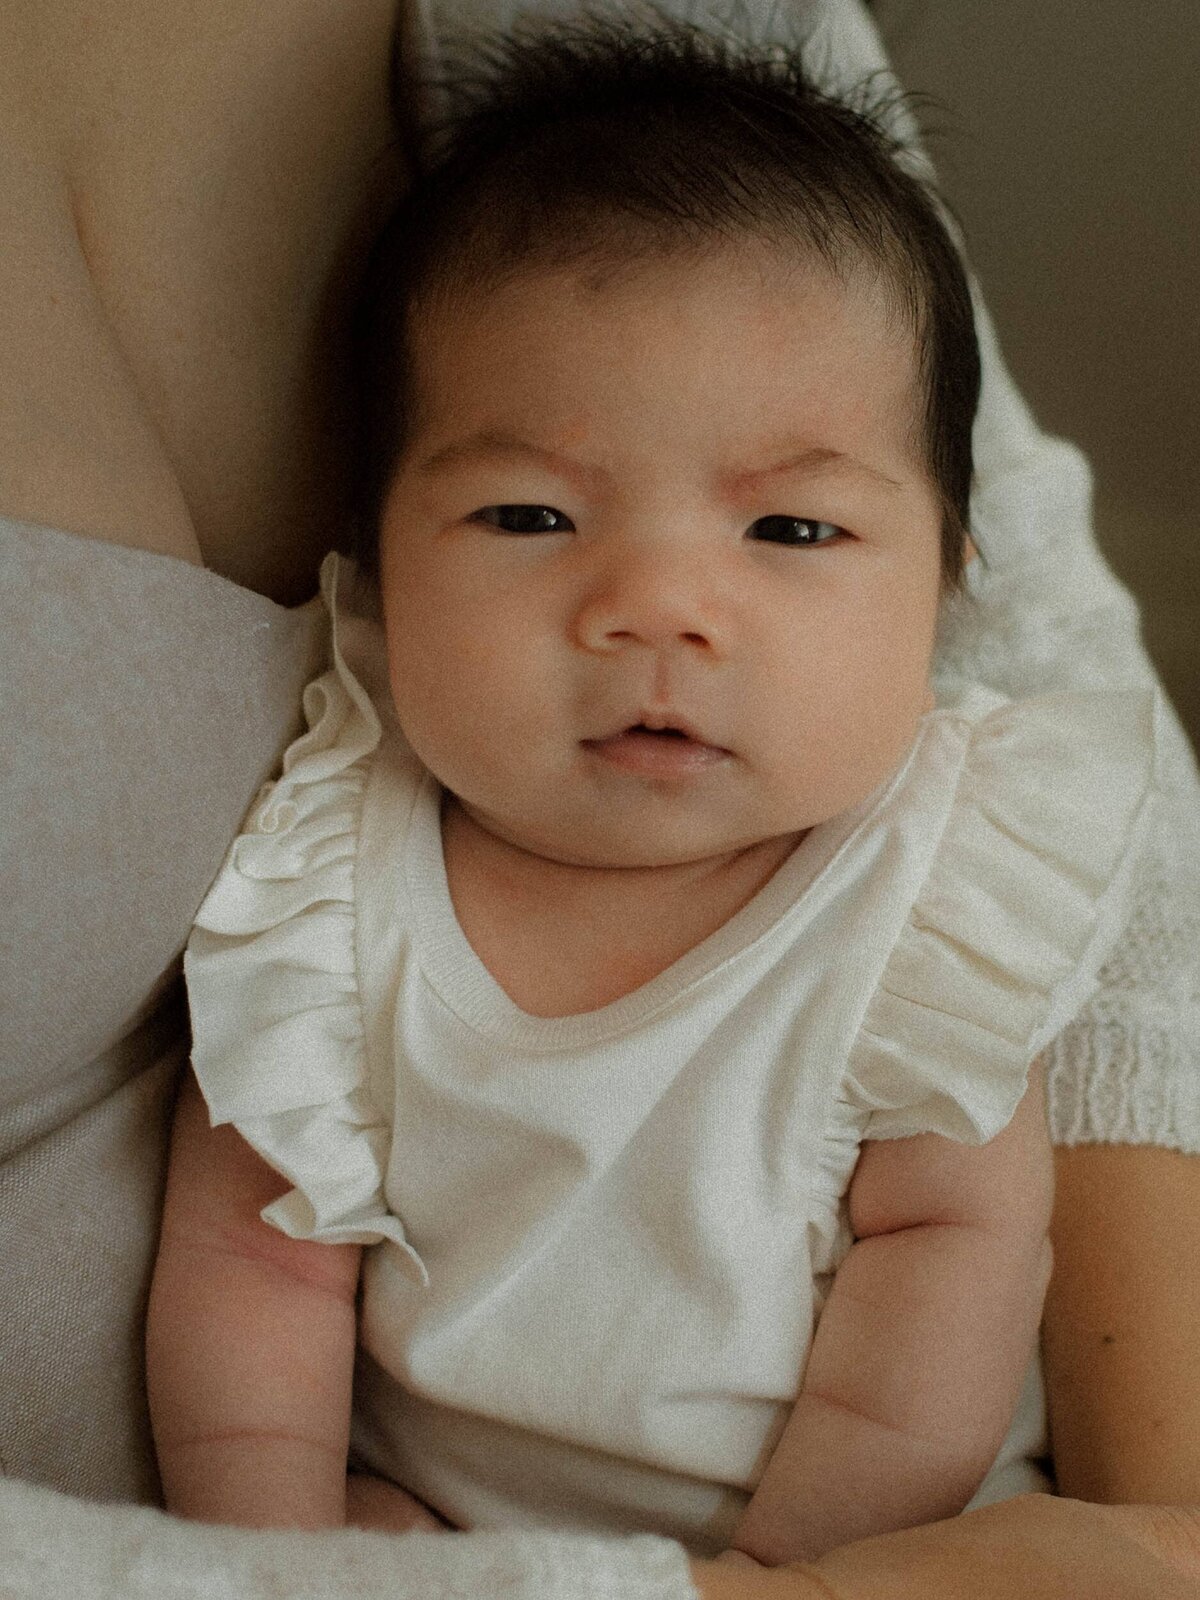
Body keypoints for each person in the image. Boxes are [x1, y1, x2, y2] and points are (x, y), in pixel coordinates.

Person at [1, 0, 1197, 1594]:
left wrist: (801, 1576)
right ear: (373, 570)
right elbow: (258, 1268)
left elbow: (953, 1269)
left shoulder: (928, 903)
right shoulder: (332, 874)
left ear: (946, 594)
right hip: (426, 1532)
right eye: (529, 515)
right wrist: (283, 1560)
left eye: (791, 533)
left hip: (871, 1534)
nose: (657, 611)